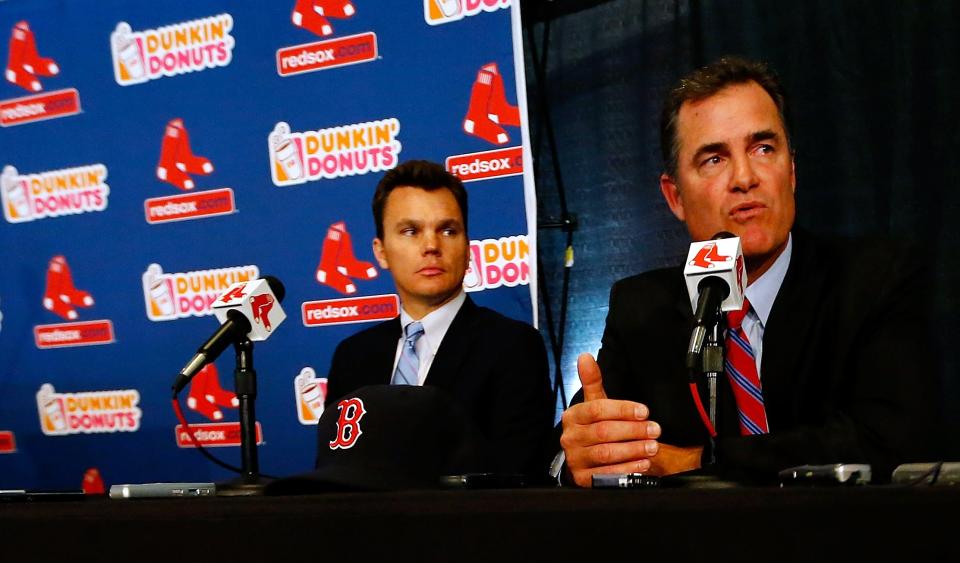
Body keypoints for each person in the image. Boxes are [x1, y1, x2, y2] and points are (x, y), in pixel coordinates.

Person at [559, 56, 940, 485]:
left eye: (763, 149)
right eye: (714, 159)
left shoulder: (874, 279)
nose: (745, 177)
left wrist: (700, 461)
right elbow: (583, 443)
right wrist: (580, 453)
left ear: (791, 171)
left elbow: (893, 441)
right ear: (675, 197)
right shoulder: (640, 309)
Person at [321, 159, 555, 477]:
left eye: (448, 230)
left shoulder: (512, 346)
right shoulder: (352, 356)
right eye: (410, 231)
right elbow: (333, 474)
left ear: (468, 247)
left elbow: (516, 476)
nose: (432, 246)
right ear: (381, 251)